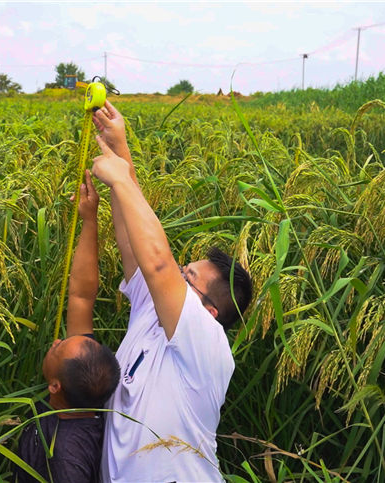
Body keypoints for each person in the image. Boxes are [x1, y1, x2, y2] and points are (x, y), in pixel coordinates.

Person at [90, 100, 253, 482]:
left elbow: (159, 262)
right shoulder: (153, 312)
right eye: (184, 268)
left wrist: (121, 179)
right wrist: (119, 146)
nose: (178, 274)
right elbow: (135, 245)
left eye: (189, 275)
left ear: (209, 310)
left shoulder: (207, 342)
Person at [14, 171, 121, 483]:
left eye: (57, 349)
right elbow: (81, 296)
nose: (57, 340)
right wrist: (90, 221)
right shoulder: (85, 388)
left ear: (54, 386)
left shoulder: (67, 456)